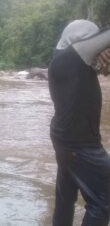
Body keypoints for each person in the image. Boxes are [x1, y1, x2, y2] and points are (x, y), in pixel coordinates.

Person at [48, 19, 110, 225]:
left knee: (65, 198)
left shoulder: (65, 62)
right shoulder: (71, 57)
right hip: (80, 143)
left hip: (66, 139)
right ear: (80, 41)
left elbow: (103, 70)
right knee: (103, 200)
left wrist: (103, 55)